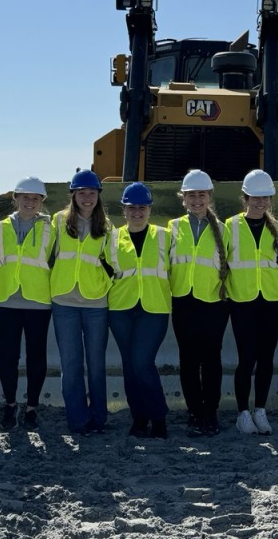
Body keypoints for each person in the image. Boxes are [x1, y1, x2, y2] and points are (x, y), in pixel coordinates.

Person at [106, 182, 171, 439]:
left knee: (142, 363)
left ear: (149, 209)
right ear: (124, 209)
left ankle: (159, 416)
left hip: (154, 308)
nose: (137, 212)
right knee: (129, 366)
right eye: (132, 207)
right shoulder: (112, 238)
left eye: (142, 207)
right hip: (120, 308)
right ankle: (139, 418)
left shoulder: (164, 236)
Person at [50, 170, 112, 436]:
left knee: (96, 365)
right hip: (64, 301)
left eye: (92, 192)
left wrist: (106, 287)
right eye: (82, 192)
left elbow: (114, 264)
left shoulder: (108, 227)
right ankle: (78, 420)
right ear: (73, 195)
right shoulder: (57, 222)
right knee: (71, 364)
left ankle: (99, 417)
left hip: (96, 302)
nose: (87, 198)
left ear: (99, 195)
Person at [168, 170, 229, 437]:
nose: (196, 200)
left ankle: (210, 412)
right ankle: (194, 412)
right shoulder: (174, 227)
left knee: (211, 360)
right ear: (183, 198)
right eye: (191, 195)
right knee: (189, 361)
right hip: (183, 301)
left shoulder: (223, 230)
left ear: (209, 197)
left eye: (201, 195)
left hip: (213, 303)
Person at [0, 176, 55, 431]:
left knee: (36, 357)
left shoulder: (52, 229)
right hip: (6, 300)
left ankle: (31, 408)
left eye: (36, 198)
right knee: (7, 357)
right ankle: (9, 404)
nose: (30, 202)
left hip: (38, 301)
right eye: (25, 197)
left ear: (41, 202)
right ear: (15, 199)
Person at [224, 170, 278, 435]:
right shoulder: (231, 226)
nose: (260, 203)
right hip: (242, 300)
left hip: (270, 299)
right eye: (255, 198)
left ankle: (260, 409)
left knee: (266, 358)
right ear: (245, 198)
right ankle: (242, 413)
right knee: (246, 359)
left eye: (265, 198)